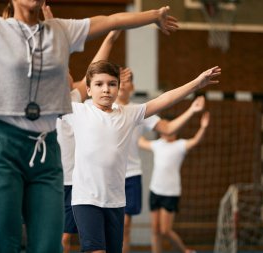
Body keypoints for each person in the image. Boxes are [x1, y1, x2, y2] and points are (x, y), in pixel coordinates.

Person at [0, 1, 178, 252]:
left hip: (47, 150)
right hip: (4, 145)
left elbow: (110, 21)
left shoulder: (60, 31)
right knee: (5, 240)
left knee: (51, 243)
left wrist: (154, 15)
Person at [63, 60, 220, 253]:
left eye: (112, 84)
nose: (106, 89)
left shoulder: (129, 114)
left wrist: (197, 83)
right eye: (99, 84)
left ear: (118, 88)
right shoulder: (78, 111)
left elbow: (165, 99)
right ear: (88, 89)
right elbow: (51, 91)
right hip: (85, 199)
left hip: (115, 201)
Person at [116, 68, 207, 253]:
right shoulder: (99, 107)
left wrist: (192, 110)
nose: (122, 83)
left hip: (130, 176)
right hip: (104, 175)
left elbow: (167, 127)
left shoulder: (138, 111)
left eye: (126, 80)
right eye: (118, 79)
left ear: (132, 86)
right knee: (105, 228)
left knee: (124, 227)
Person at [58, 30, 122, 253]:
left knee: (65, 239)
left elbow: (94, 71)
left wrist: (111, 35)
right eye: (61, 71)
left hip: (75, 181)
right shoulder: (51, 100)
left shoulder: (78, 99)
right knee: (53, 238)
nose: (67, 75)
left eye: (68, 71)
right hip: (51, 178)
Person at [138, 110, 209, 253]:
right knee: (155, 229)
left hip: (170, 193)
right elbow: (140, 141)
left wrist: (203, 127)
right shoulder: (158, 144)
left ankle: (184, 250)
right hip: (155, 191)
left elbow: (196, 141)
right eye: (164, 129)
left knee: (165, 230)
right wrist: (131, 123)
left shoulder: (180, 145)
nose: (166, 132)